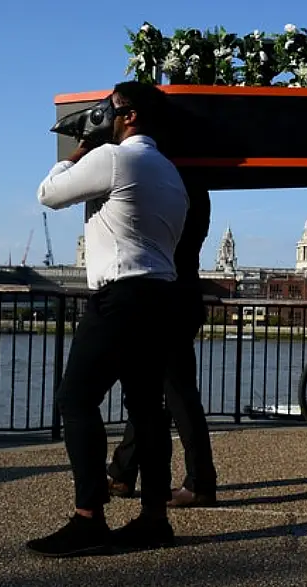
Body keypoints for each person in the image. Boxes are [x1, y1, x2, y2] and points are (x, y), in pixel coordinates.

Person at [27, 81, 188, 557]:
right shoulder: (170, 173)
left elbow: (49, 194)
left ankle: (88, 518)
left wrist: (78, 149)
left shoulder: (115, 158)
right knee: (145, 410)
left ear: (131, 115)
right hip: (161, 296)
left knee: (75, 400)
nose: (102, 116)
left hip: (119, 295)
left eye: (108, 110)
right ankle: (154, 518)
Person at [107, 183, 218, 507]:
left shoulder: (169, 188)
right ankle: (123, 472)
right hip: (182, 298)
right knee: (154, 392)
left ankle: (200, 482)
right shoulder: (193, 194)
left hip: (166, 300)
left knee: (177, 395)